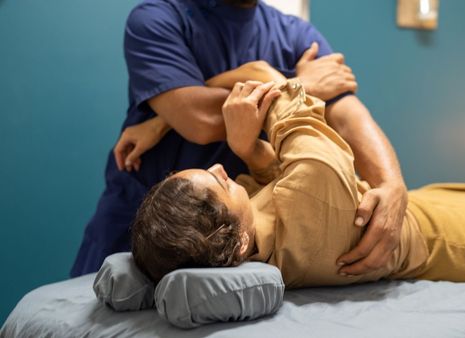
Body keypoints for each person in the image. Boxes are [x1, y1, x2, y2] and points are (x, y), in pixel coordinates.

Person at [71, 0, 408, 278]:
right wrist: (298, 84)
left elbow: (349, 116)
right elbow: (198, 119)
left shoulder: (294, 34)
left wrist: (392, 186)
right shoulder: (158, 18)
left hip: (232, 239)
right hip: (143, 226)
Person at [131, 62, 465, 287]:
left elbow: (279, 187)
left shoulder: (262, 251)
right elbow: (261, 75)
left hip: (427, 207)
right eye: (220, 182)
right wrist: (164, 120)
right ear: (238, 242)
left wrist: (247, 149)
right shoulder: (312, 183)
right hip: (458, 234)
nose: (220, 167)